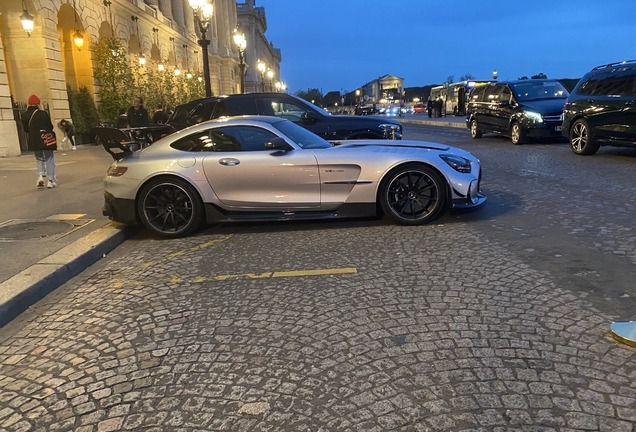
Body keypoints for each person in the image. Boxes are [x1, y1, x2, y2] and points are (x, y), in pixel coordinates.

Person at [21, 94, 57, 188]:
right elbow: (50, 126)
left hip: (33, 139)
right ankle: (50, 180)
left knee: (39, 158)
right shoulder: (43, 113)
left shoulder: (24, 115)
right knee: (49, 159)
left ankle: (40, 176)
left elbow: (26, 129)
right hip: (45, 138)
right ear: (38, 103)